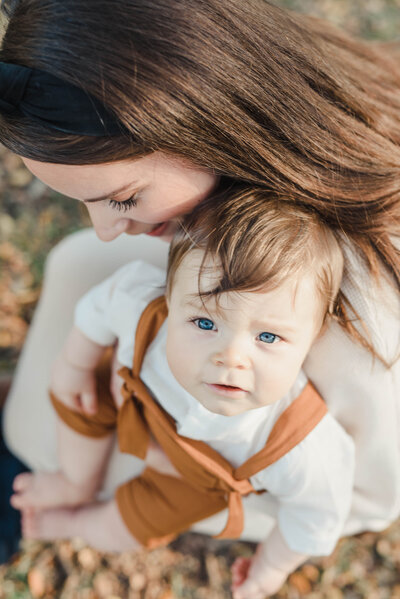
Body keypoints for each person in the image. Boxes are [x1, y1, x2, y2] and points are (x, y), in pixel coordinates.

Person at [0, 0, 398, 589]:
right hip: (173, 351)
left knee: (30, 442)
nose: (106, 224)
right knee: (80, 262)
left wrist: (201, 466)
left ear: (202, 123)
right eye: (83, 200)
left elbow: (371, 492)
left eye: (124, 199)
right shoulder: (277, 117)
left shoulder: (351, 317)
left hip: (225, 454)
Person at [11, 191, 356, 598]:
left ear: (313, 339)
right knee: (79, 398)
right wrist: (76, 364)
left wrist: (269, 567)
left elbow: (317, 514)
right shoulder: (144, 310)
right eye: (204, 323)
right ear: (169, 298)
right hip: (136, 401)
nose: (230, 358)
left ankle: (80, 524)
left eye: (267, 336)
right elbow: (104, 303)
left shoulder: (296, 445)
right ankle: (75, 481)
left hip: (191, 478)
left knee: (124, 527)